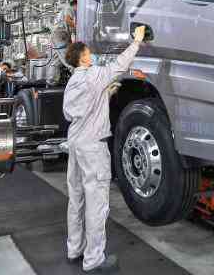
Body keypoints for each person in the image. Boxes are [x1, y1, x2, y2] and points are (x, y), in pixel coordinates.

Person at [63, 25, 146, 273]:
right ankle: (93, 259)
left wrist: (104, 95)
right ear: (83, 58)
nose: (92, 55)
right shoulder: (94, 75)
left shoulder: (74, 81)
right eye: (89, 53)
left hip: (76, 143)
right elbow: (118, 66)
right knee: (96, 203)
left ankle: (74, 248)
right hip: (93, 147)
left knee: (76, 199)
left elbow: (76, 111)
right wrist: (137, 41)